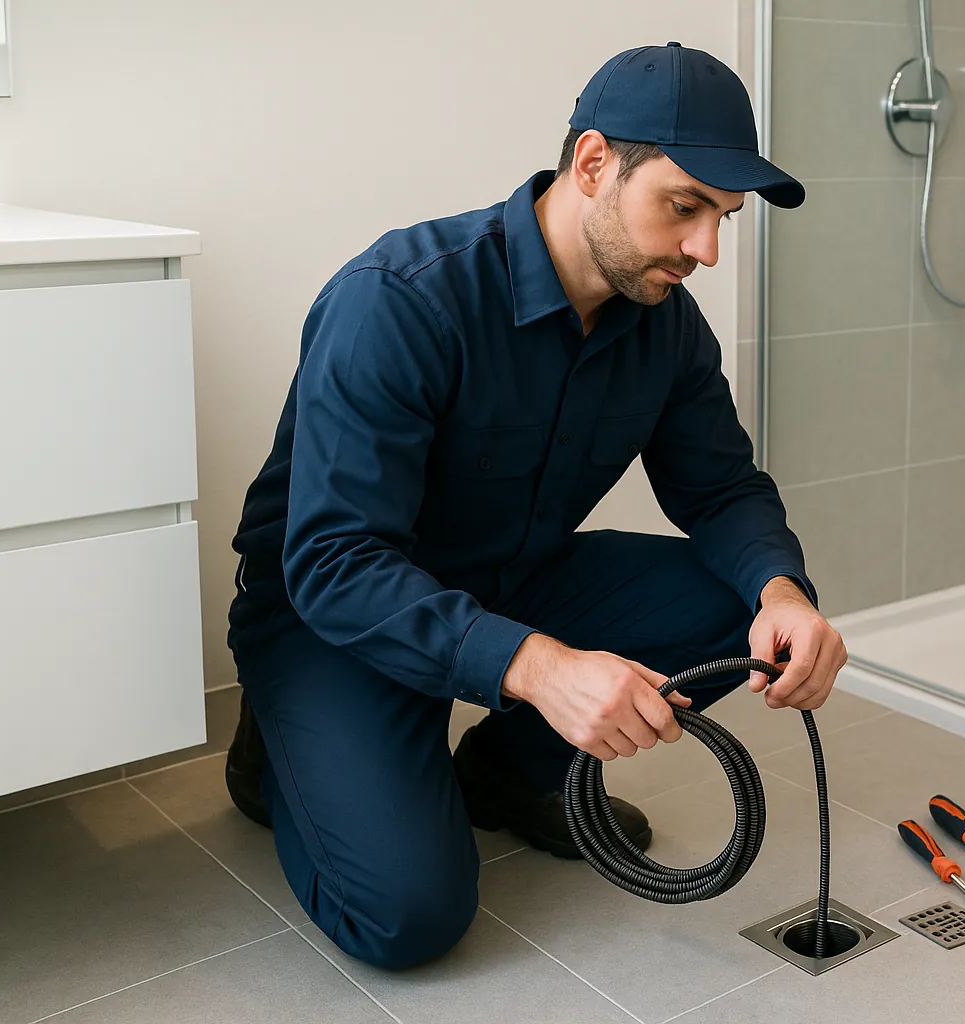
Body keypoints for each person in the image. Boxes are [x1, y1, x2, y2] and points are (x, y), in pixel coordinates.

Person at [222, 41, 846, 970]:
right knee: (409, 916)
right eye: (684, 208)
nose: (706, 250)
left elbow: (720, 489)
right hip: (337, 616)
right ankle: (280, 747)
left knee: (736, 605)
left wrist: (784, 591)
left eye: (723, 218)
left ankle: (510, 775)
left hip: (512, 581)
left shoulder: (663, 324)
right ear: (593, 163)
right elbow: (333, 563)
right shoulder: (399, 302)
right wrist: (540, 668)